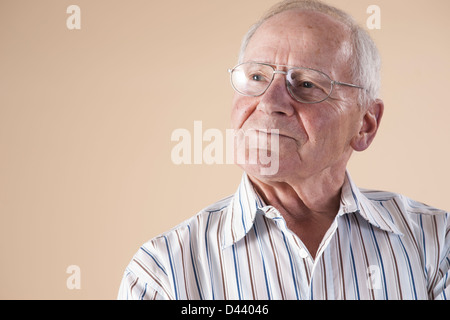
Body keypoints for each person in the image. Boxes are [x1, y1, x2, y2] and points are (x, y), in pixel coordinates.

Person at [118, 0, 449, 300]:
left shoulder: (435, 245)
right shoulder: (161, 272)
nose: (270, 102)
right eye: (258, 76)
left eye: (306, 83)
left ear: (365, 124)